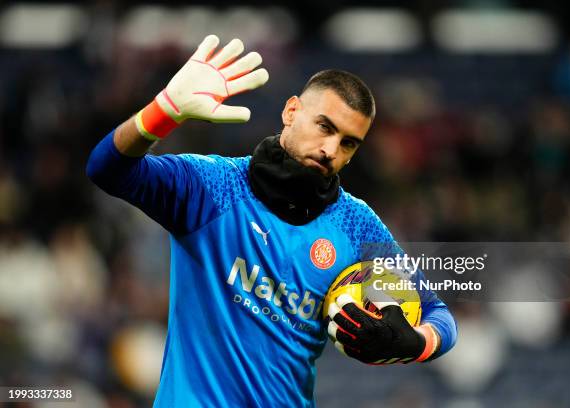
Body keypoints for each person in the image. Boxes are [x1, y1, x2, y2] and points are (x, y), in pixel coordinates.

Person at [86, 35, 457, 407]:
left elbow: (438, 316)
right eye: (325, 126)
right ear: (291, 111)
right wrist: (163, 110)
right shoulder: (212, 187)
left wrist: (415, 342)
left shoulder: (357, 225)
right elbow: (106, 169)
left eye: (348, 143)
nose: (330, 150)